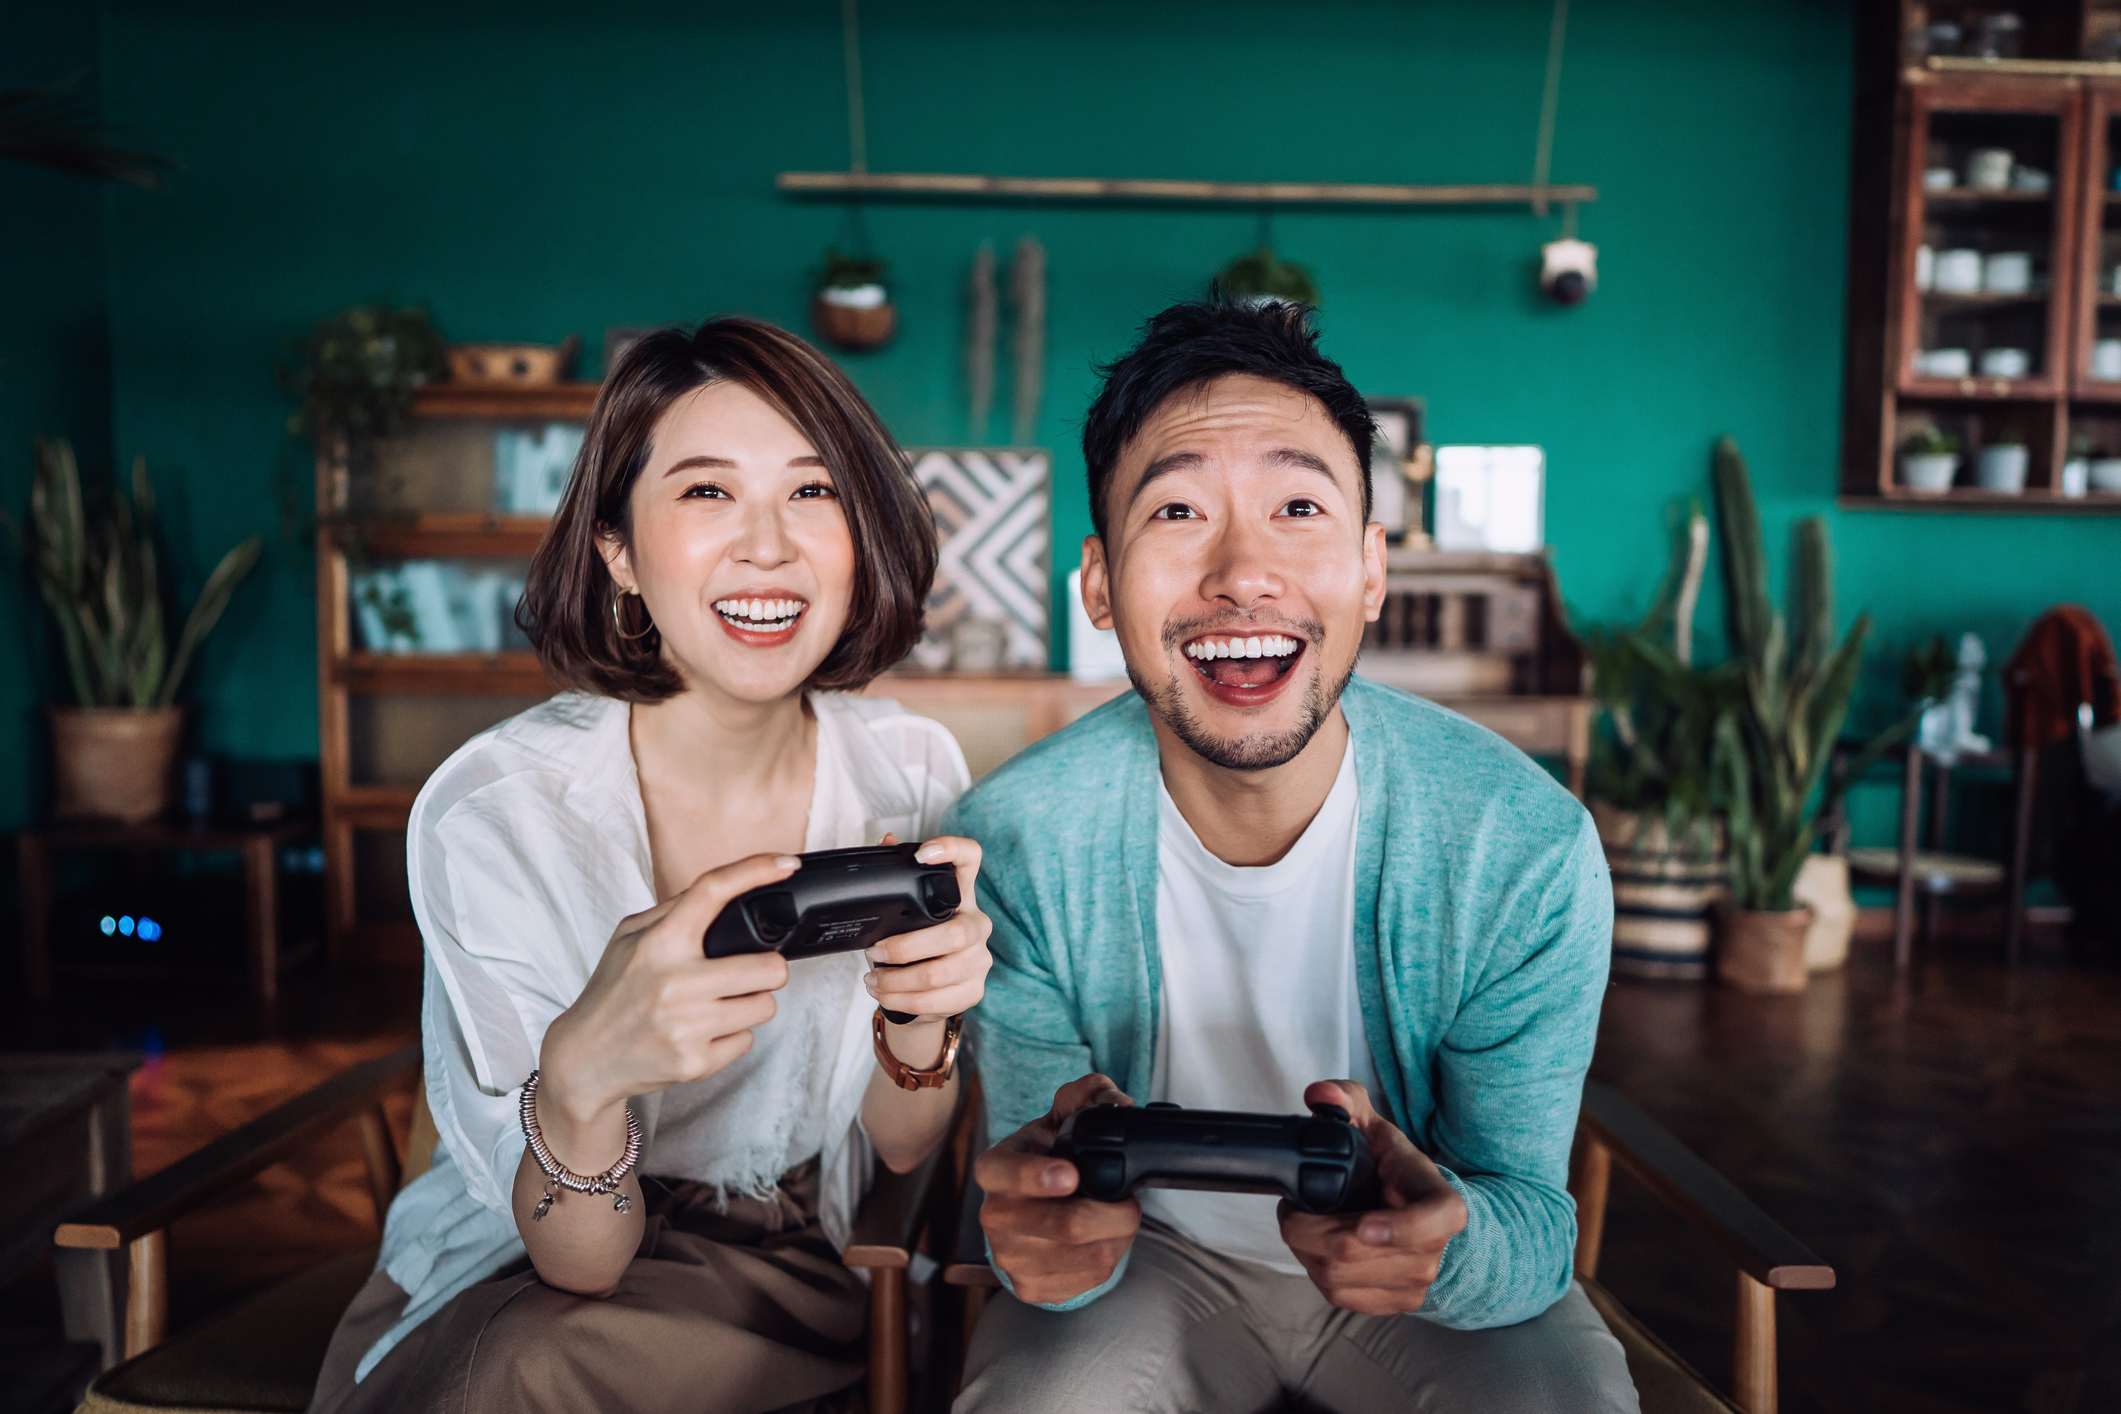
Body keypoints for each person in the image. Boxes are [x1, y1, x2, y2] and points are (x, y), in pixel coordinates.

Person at [947, 297, 1635, 1412]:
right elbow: (1042, 1205)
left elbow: (1530, 1216)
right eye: (1175, 509)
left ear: (1372, 568)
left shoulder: (1520, 844)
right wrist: (1044, 1239)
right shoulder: (1018, 839)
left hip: (1423, 1296)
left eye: (1298, 505)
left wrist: (1444, 1246)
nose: (1241, 571)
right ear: (1100, 582)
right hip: (1151, 1272)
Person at [310, 317, 993, 1414]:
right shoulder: (499, 811)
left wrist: (921, 1022)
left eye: (813, 492)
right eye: (706, 492)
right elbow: (581, 1262)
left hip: (798, 1259)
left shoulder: (908, 768)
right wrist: (581, 1080)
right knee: (519, 1364)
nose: (767, 545)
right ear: (617, 549)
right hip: (519, 1250)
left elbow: (902, 1148)